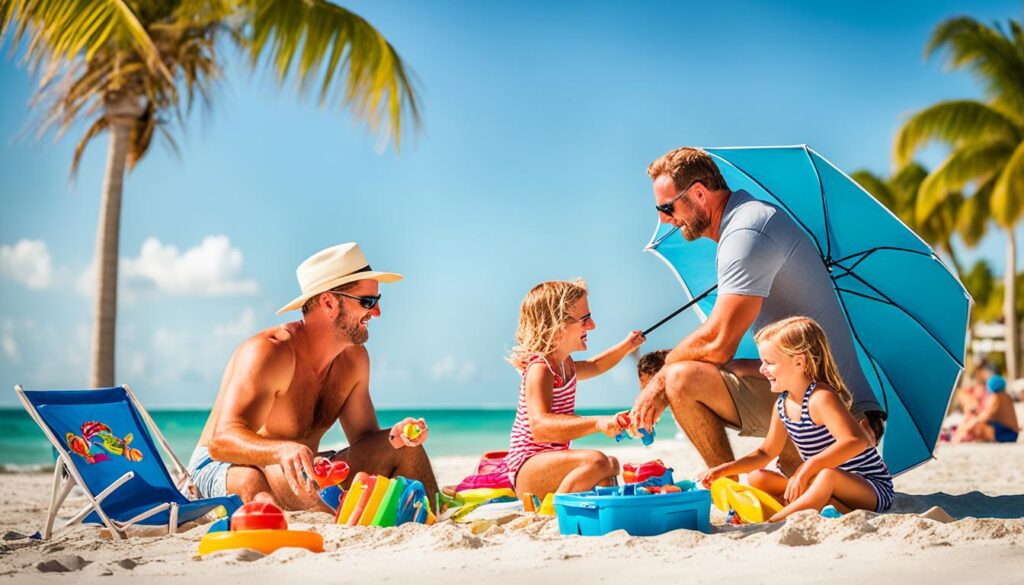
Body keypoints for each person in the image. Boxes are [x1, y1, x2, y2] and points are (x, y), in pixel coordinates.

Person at [632, 147, 885, 474]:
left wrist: (661, 379)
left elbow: (719, 341)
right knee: (687, 371)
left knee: (680, 379)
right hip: (813, 397)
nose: (664, 218)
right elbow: (727, 350)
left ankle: (728, 489)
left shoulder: (745, 234)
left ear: (698, 193)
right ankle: (734, 487)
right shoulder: (746, 224)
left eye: (667, 207)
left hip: (842, 416)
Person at [187, 243, 438, 511]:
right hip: (224, 466)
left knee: (407, 450)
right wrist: (282, 450)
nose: (377, 312)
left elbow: (364, 440)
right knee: (256, 481)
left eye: (377, 301)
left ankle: (436, 517)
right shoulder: (270, 354)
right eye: (367, 301)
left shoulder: (354, 360)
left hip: (297, 468)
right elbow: (221, 441)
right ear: (328, 302)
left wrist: (394, 438)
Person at [698, 317, 894, 520]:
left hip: (870, 488)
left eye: (769, 362)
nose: (762, 369)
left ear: (799, 362)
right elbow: (765, 452)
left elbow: (856, 441)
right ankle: (827, 505)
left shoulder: (821, 397)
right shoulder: (782, 405)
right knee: (757, 477)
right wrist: (723, 469)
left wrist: (808, 467)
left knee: (827, 476)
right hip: (823, 483)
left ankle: (777, 519)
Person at [500, 279, 645, 496]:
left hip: (548, 464)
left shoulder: (565, 364)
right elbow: (540, 426)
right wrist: (598, 423)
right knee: (597, 461)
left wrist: (627, 346)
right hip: (526, 468)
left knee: (610, 465)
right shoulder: (541, 368)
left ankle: (606, 520)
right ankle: (556, 509)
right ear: (557, 325)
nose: (592, 325)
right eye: (584, 319)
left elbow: (595, 365)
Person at [952, 374, 1020, 444]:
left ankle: (960, 438)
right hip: (1012, 433)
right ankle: (962, 437)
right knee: (978, 424)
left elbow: (985, 416)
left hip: (1008, 434)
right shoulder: (1005, 396)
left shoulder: (997, 397)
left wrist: (964, 428)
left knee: (978, 426)